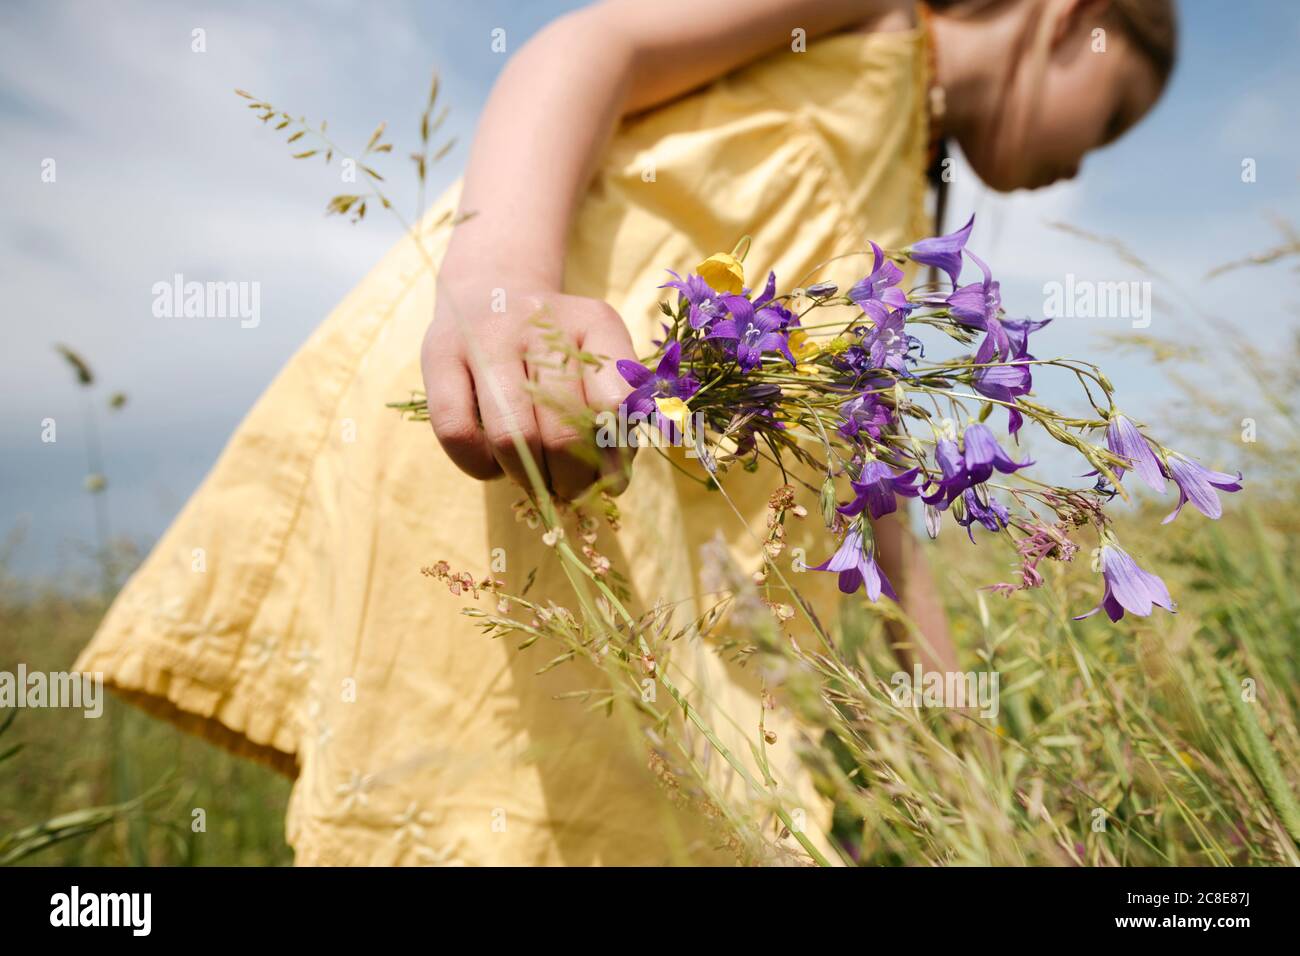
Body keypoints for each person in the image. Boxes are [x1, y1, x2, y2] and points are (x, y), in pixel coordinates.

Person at [76, 0, 1176, 865]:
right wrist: (499, 275)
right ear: (1074, 15)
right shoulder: (874, 13)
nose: (1087, 161)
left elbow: (881, 514)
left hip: (667, 561)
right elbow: (593, 44)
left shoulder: (911, 207)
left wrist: (970, 753)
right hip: (535, 409)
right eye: (1116, 115)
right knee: (499, 812)